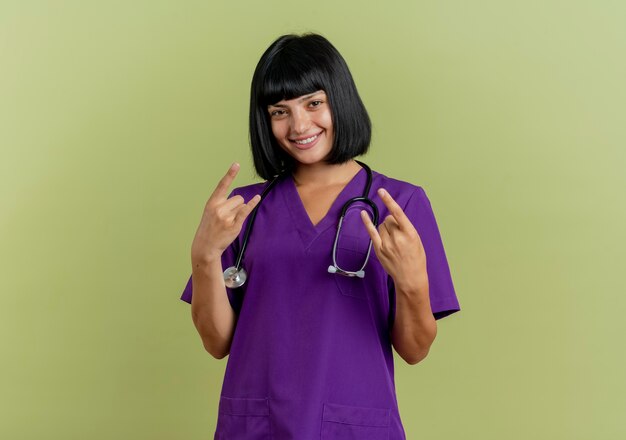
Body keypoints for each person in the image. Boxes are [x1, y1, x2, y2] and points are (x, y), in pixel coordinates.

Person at [179, 33, 461, 439]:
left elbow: (414, 350)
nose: (299, 125)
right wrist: (204, 257)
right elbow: (217, 342)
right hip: (258, 426)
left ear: (340, 100)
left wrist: (413, 282)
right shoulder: (243, 210)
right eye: (280, 111)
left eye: (314, 103)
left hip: (354, 425)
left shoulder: (399, 204)